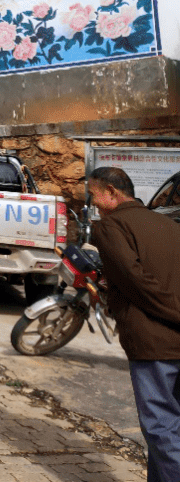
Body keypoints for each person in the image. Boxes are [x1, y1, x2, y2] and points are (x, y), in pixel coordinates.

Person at [88, 166, 180, 482]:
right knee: (171, 426)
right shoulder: (166, 223)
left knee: (161, 427)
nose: (93, 204)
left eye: (94, 195)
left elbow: (136, 282)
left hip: (153, 341)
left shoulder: (110, 227)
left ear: (112, 193)